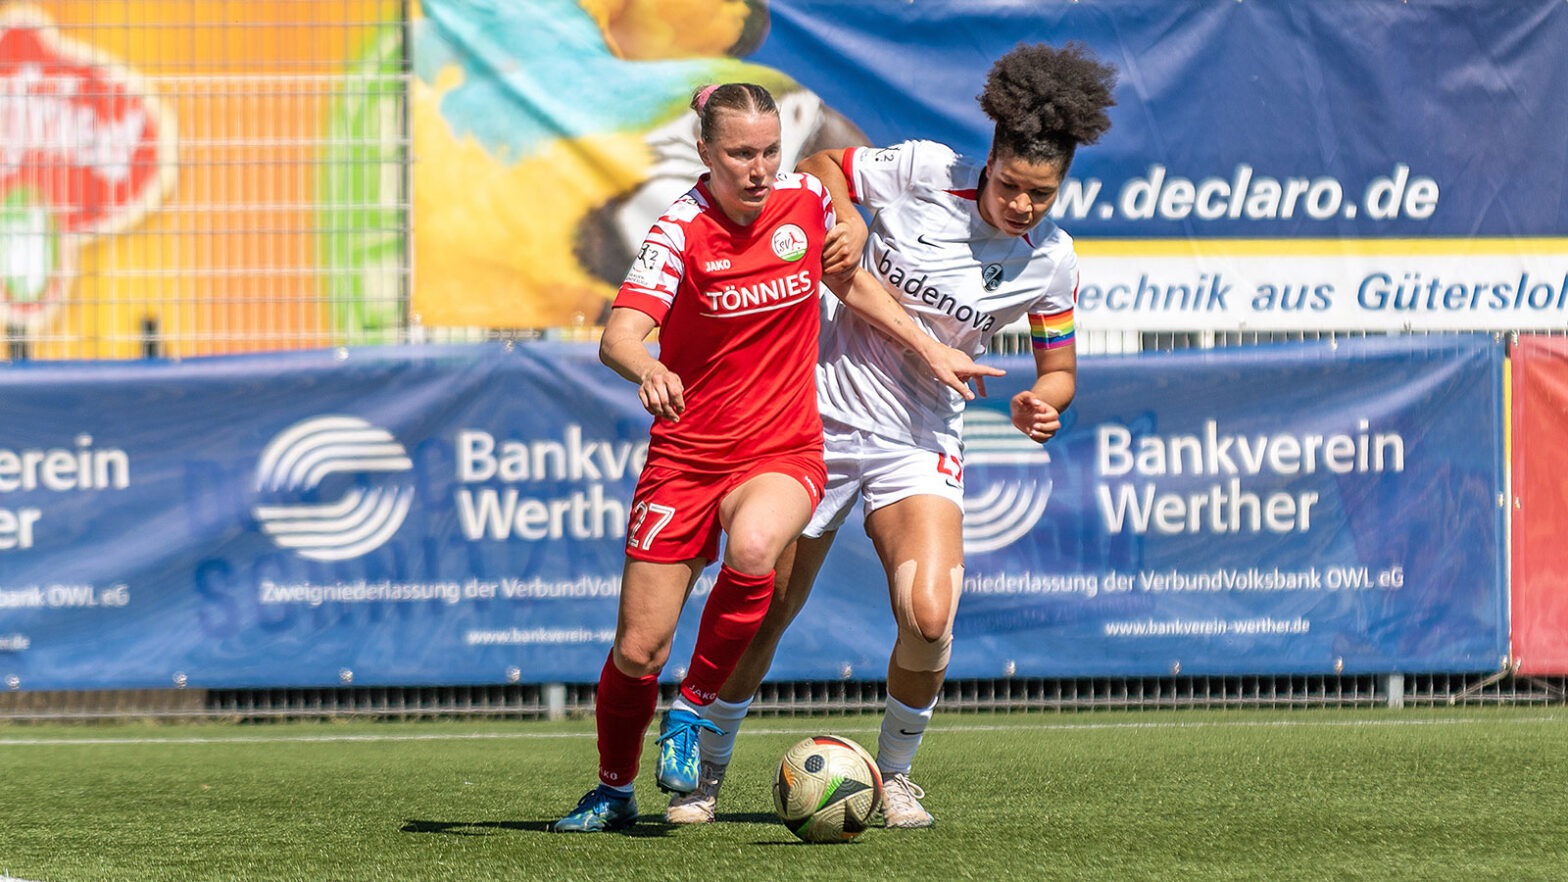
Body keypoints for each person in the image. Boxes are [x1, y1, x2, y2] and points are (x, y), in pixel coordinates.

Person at [666, 42, 1118, 828]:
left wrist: (1044, 402)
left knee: (929, 611)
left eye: (1041, 195)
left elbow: (1059, 369)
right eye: (1011, 186)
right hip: (814, 419)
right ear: (991, 160)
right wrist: (842, 213)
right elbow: (831, 164)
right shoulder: (923, 171)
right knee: (766, 606)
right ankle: (705, 777)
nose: (1022, 206)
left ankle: (897, 776)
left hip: (918, 437)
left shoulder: (1052, 259)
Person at [550, 82, 1000, 834]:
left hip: (783, 445)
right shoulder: (678, 230)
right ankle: (613, 788)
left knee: (757, 547)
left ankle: (691, 713)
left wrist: (928, 345)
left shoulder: (803, 202)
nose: (759, 169)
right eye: (739, 155)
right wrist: (649, 368)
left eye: (768, 151)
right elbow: (619, 334)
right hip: (687, 457)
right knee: (638, 647)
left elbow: (852, 279)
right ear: (705, 153)